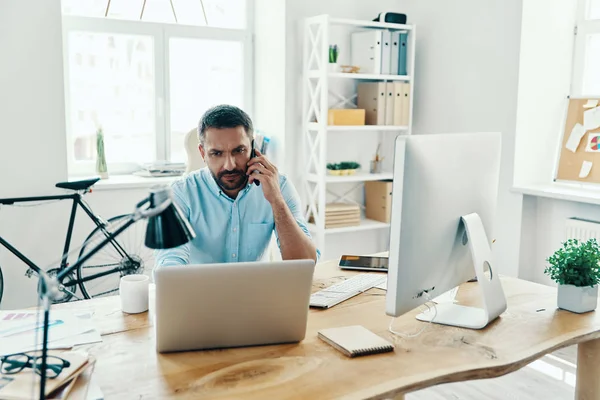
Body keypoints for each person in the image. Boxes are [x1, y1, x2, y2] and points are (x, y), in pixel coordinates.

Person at [154, 104, 319, 267]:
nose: (229, 165)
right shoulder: (181, 193)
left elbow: (306, 263)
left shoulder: (279, 187)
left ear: (253, 148)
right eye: (216, 153)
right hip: (201, 292)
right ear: (203, 153)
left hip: (257, 291)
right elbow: (168, 261)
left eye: (238, 151)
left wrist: (276, 201)